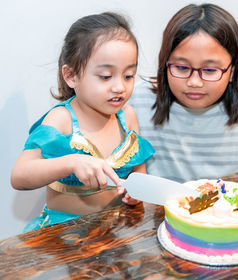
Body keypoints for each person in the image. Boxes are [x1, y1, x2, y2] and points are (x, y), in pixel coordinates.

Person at [11, 12, 154, 232]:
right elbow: (19, 176)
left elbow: (139, 171)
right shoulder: (62, 119)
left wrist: (136, 193)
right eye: (106, 76)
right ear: (71, 76)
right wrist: (71, 162)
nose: (119, 87)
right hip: (63, 235)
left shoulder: (128, 116)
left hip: (115, 233)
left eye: (128, 76)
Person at [129, 3, 238, 183]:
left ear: (232, 71)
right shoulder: (137, 101)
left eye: (209, 70)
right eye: (182, 67)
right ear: (164, 63)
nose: (194, 82)